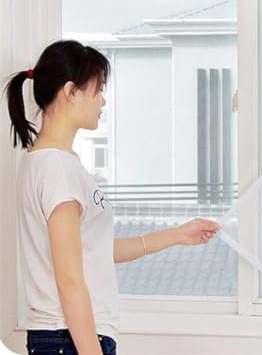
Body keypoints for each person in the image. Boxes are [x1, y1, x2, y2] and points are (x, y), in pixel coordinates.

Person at [3, 40, 220, 355]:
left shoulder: (48, 163)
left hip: (65, 338)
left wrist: (176, 235)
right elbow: (69, 279)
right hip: (69, 339)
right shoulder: (57, 169)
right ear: (70, 91)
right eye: (98, 90)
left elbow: (94, 251)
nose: (103, 101)